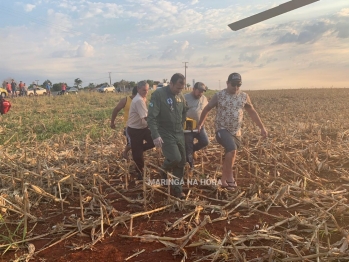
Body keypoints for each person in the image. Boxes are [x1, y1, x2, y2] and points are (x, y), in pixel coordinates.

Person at [198, 73, 267, 190]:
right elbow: (207, 108)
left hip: (236, 132)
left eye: (238, 85)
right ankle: (230, 178)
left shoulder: (244, 96)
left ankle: (223, 179)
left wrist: (262, 127)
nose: (236, 88)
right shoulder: (219, 95)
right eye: (233, 85)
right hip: (222, 129)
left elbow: (252, 112)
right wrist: (200, 124)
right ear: (227, 83)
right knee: (232, 149)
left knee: (232, 154)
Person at [147, 73, 188, 199]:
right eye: (177, 88)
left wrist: (181, 123)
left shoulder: (180, 95)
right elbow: (151, 117)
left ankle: (177, 188)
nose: (179, 90)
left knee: (182, 161)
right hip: (165, 131)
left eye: (181, 88)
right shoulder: (159, 95)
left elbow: (185, 110)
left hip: (178, 132)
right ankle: (164, 169)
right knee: (175, 158)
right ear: (171, 83)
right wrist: (155, 135)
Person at [127, 81, 154, 179]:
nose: (146, 92)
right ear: (138, 89)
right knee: (138, 155)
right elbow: (146, 117)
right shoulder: (138, 100)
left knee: (153, 141)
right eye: (144, 90)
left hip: (143, 128)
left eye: (147, 90)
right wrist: (156, 126)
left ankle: (138, 149)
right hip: (135, 130)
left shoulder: (143, 98)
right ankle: (140, 173)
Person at [184, 82, 209, 169]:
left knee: (205, 141)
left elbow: (206, 111)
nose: (200, 93)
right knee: (189, 146)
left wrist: (200, 124)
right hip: (188, 127)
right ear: (193, 89)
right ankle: (190, 167)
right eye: (199, 91)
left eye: (202, 92)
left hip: (199, 125)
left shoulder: (204, 99)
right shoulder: (185, 98)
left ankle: (191, 151)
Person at [110, 86, 138, 159]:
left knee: (137, 142)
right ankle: (125, 153)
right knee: (131, 143)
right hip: (128, 126)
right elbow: (116, 110)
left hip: (139, 125)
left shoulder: (142, 100)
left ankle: (136, 155)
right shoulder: (125, 100)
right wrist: (112, 122)